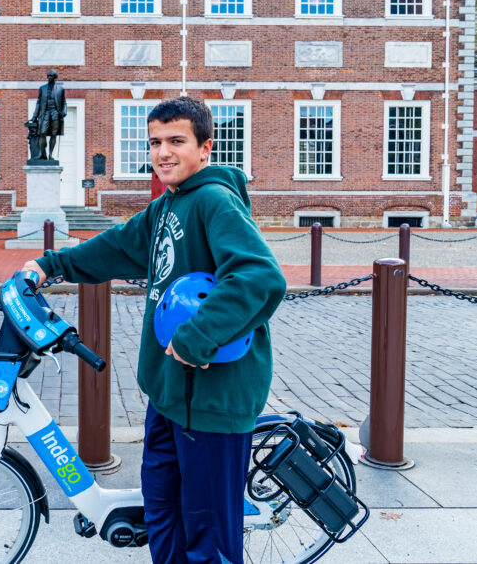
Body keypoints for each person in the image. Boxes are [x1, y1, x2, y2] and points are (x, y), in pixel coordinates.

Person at [21, 96, 287, 563]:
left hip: (212, 399)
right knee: (164, 512)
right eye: (155, 142)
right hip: (168, 394)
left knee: (208, 535)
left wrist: (195, 337)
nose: (164, 152)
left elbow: (259, 277)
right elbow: (117, 247)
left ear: (205, 148)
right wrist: (49, 265)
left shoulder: (214, 201)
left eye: (177, 141)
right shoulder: (168, 206)